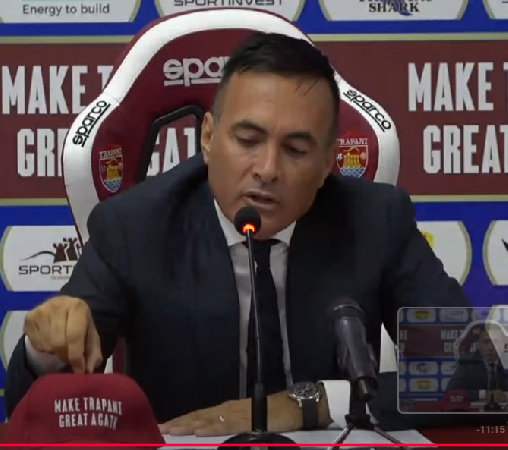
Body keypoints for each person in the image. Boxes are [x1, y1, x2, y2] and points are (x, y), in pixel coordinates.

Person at [6, 32, 470, 436]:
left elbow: (475, 376)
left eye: (296, 149)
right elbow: (33, 408)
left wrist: (312, 403)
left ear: (328, 162)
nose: (267, 169)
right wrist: (45, 350)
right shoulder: (134, 227)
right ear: (208, 137)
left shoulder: (376, 221)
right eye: (248, 140)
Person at [445, 324, 508, 404]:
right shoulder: (468, 362)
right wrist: (484, 394)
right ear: (478, 345)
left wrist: (504, 395)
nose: (490, 348)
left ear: (503, 345)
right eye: (486, 342)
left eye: (495, 342)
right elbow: (450, 392)